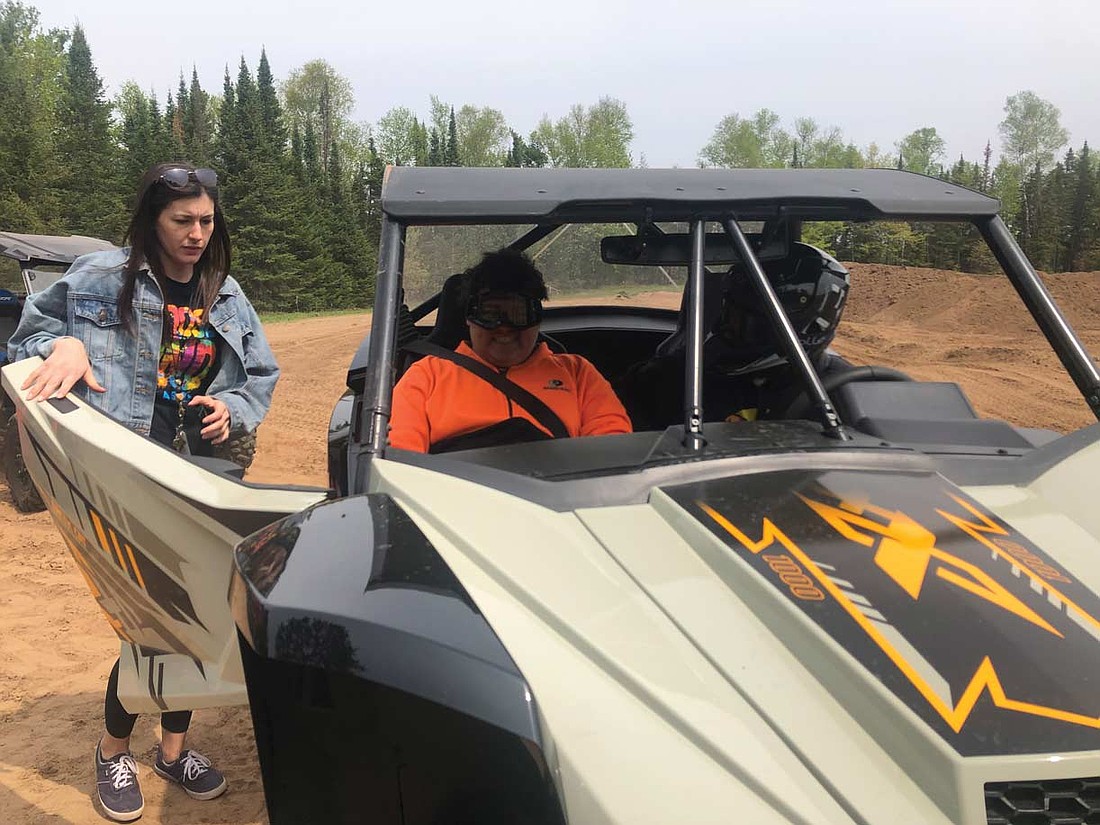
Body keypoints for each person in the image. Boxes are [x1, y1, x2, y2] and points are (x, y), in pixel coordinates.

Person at [8, 162, 279, 822]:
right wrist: (63, 343)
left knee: (202, 616)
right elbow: (25, 338)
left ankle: (173, 749)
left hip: (203, 473)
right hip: (121, 474)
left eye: (205, 220)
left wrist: (232, 408)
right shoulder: (101, 275)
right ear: (152, 220)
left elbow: (260, 375)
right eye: (180, 220)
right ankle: (112, 750)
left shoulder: (227, 292)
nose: (194, 233)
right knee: (148, 619)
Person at [388, 248, 631, 453]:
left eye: (518, 314)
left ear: (536, 318)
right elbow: (401, 457)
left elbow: (611, 449)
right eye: (490, 314)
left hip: (559, 499)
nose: (504, 329)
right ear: (469, 318)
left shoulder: (577, 373)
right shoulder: (426, 376)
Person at [616, 244, 852, 430]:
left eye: (742, 318)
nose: (725, 326)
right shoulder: (674, 377)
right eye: (727, 311)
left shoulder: (845, 391)